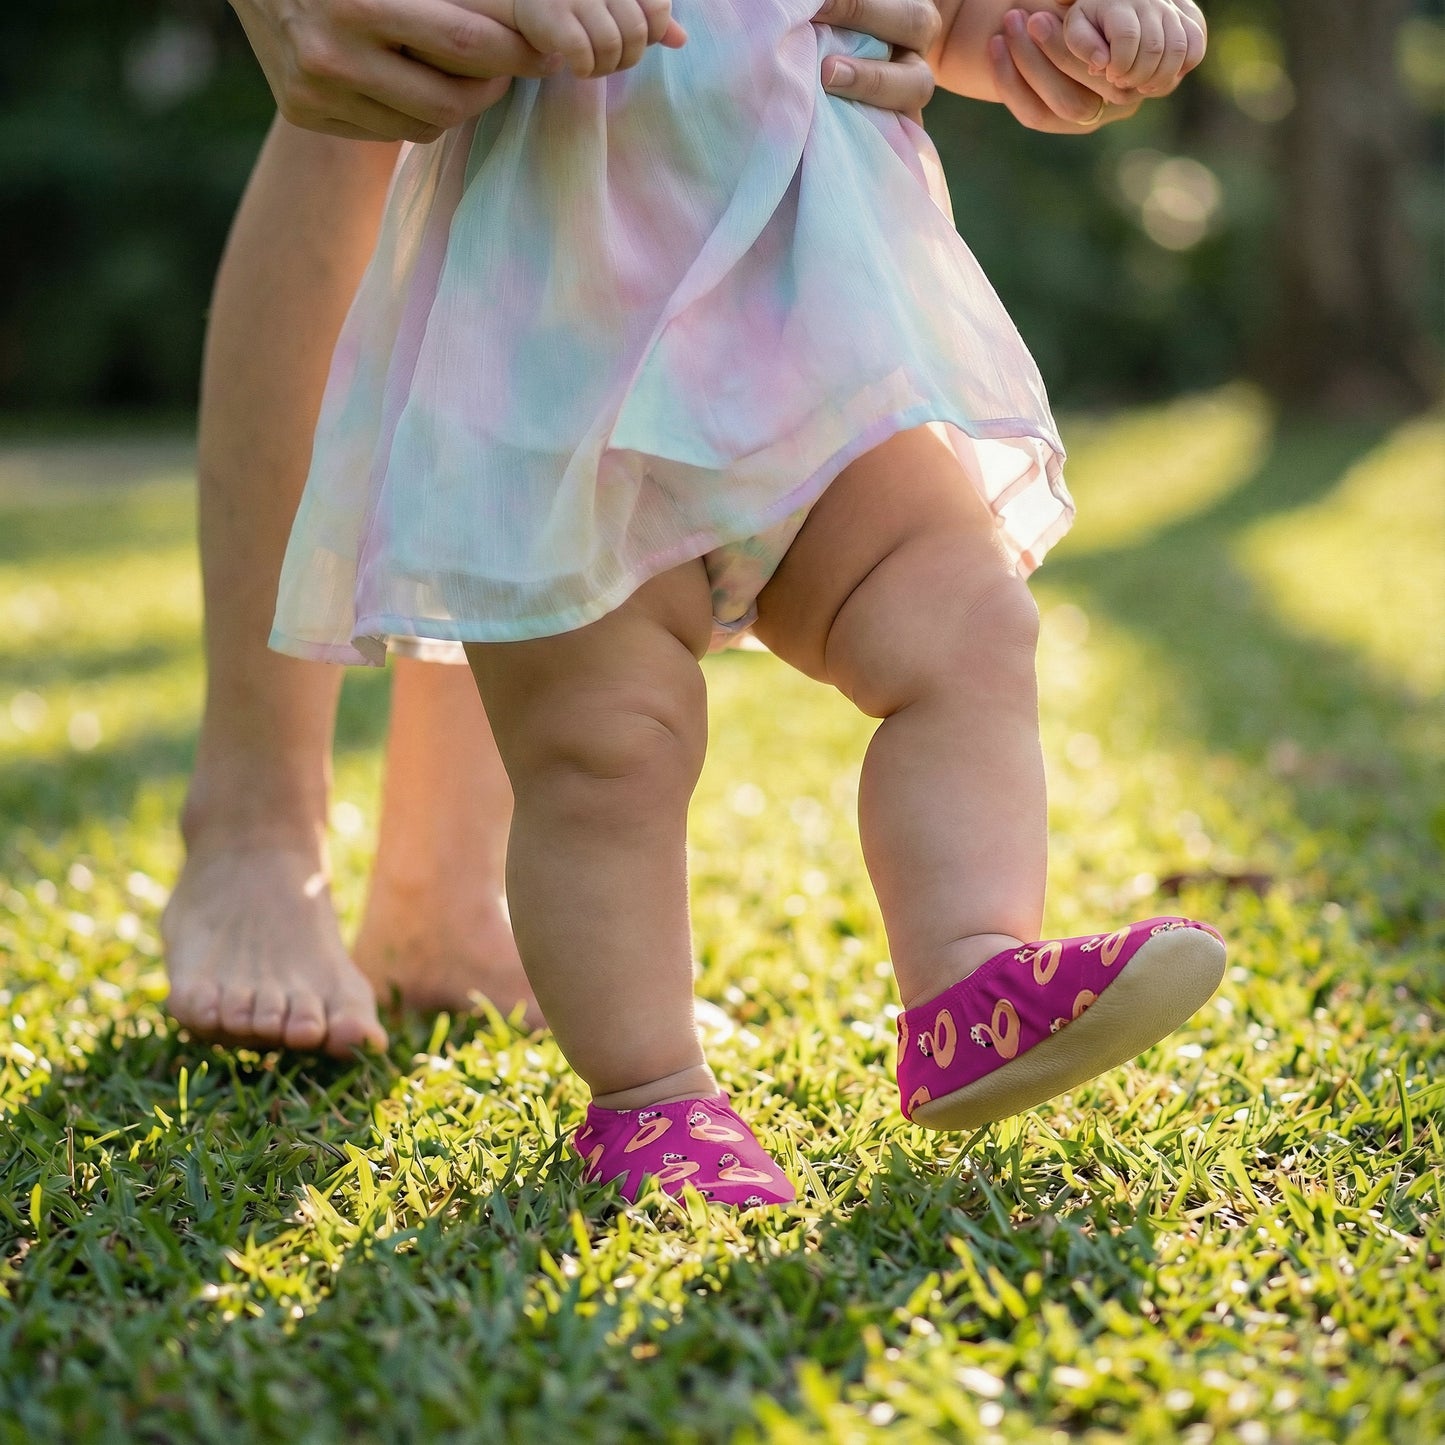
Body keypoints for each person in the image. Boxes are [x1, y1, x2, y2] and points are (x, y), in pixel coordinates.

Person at [265, 0, 1222, 1208]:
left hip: (813, 344)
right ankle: (648, 1093)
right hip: (555, 359)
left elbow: (947, 24)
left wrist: (1058, 27)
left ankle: (966, 976)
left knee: (962, 622)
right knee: (603, 745)